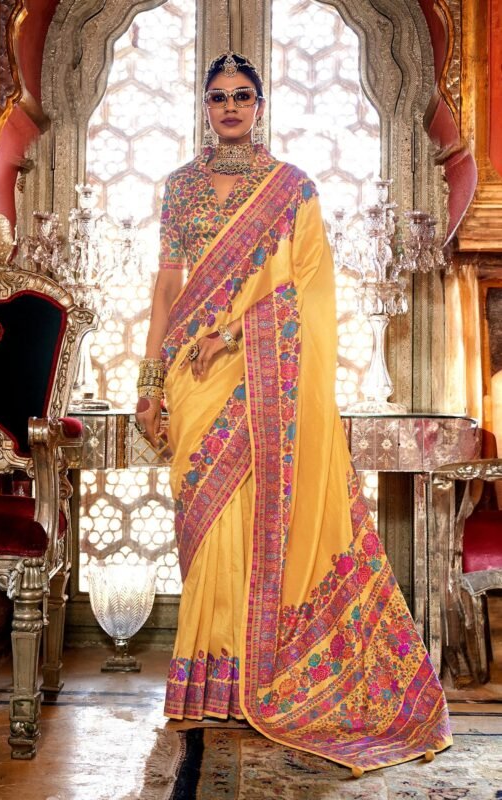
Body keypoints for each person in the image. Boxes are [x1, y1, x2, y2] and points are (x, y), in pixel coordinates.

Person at [135, 51, 452, 776]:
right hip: (192, 376)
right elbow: (166, 288)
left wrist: (234, 332)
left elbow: (309, 293)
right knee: (203, 518)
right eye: (218, 96)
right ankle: (206, 680)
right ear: (205, 106)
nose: (230, 107)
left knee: (249, 522)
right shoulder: (181, 187)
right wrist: (149, 382)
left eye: (242, 96)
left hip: (254, 373)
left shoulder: (291, 189)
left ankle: (246, 676)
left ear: (259, 105)